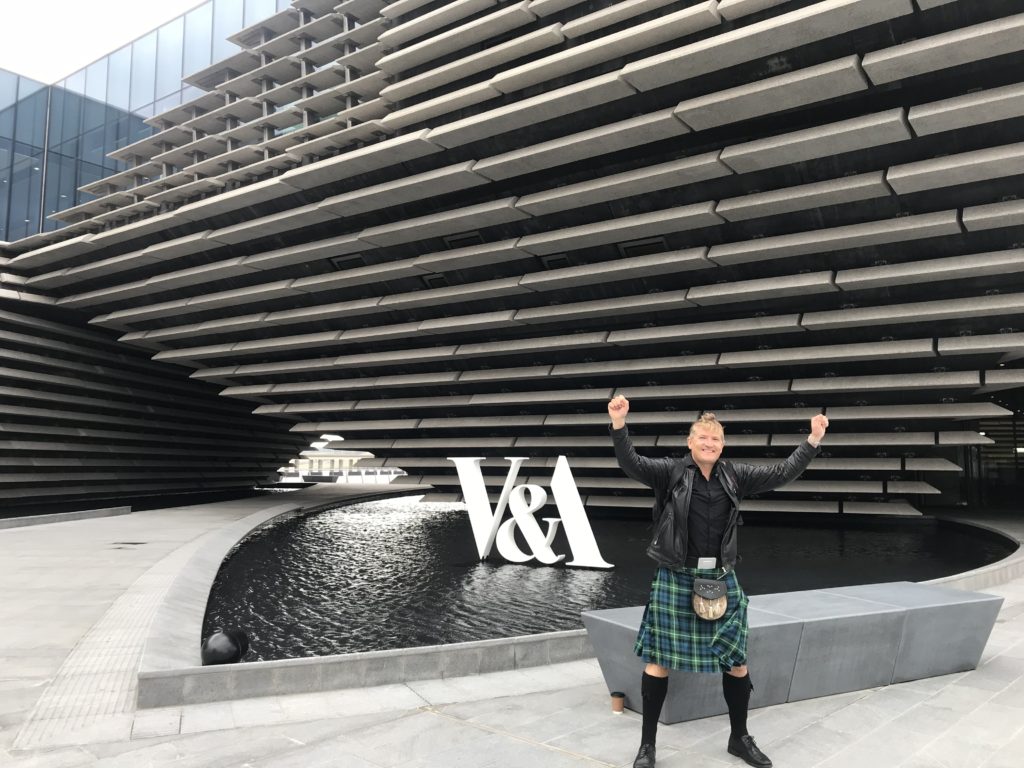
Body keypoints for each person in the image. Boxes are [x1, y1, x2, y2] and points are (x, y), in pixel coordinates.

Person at [607, 395, 829, 768]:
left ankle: (739, 738)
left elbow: (780, 474)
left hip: (722, 576)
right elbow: (631, 462)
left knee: (737, 660)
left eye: (716, 440)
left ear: (721, 446)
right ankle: (647, 745)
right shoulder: (672, 472)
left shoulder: (733, 474)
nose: (710, 444)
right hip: (676, 575)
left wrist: (812, 441)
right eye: (703, 438)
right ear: (690, 443)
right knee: (659, 660)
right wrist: (619, 424)